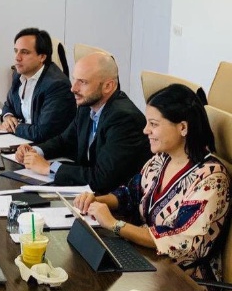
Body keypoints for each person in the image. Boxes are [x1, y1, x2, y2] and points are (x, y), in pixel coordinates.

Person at [73, 84, 230, 284]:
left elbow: (180, 241)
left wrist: (114, 224)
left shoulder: (211, 178)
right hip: (147, 263)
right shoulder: (160, 159)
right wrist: (94, 200)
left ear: (183, 127)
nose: (145, 130)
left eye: (153, 124)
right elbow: (131, 194)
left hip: (184, 283)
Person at [15, 52, 151, 193]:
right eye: (75, 80)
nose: (73, 88)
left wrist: (48, 168)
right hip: (88, 195)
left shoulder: (124, 119)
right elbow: (64, 141)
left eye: (83, 82)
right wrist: (35, 151)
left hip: (113, 201)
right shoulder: (87, 106)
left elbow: (102, 178)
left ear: (108, 86)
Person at [0, 28, 75, 142]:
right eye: (16, 51)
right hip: (24, 141)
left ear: (42, 57)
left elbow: (42, 132)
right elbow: (9, 104)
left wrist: (12, 128)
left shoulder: (56, 85)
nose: (17, 57)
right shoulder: (19, 74)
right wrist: (8, 117)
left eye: (25, 52)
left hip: (48, 149)